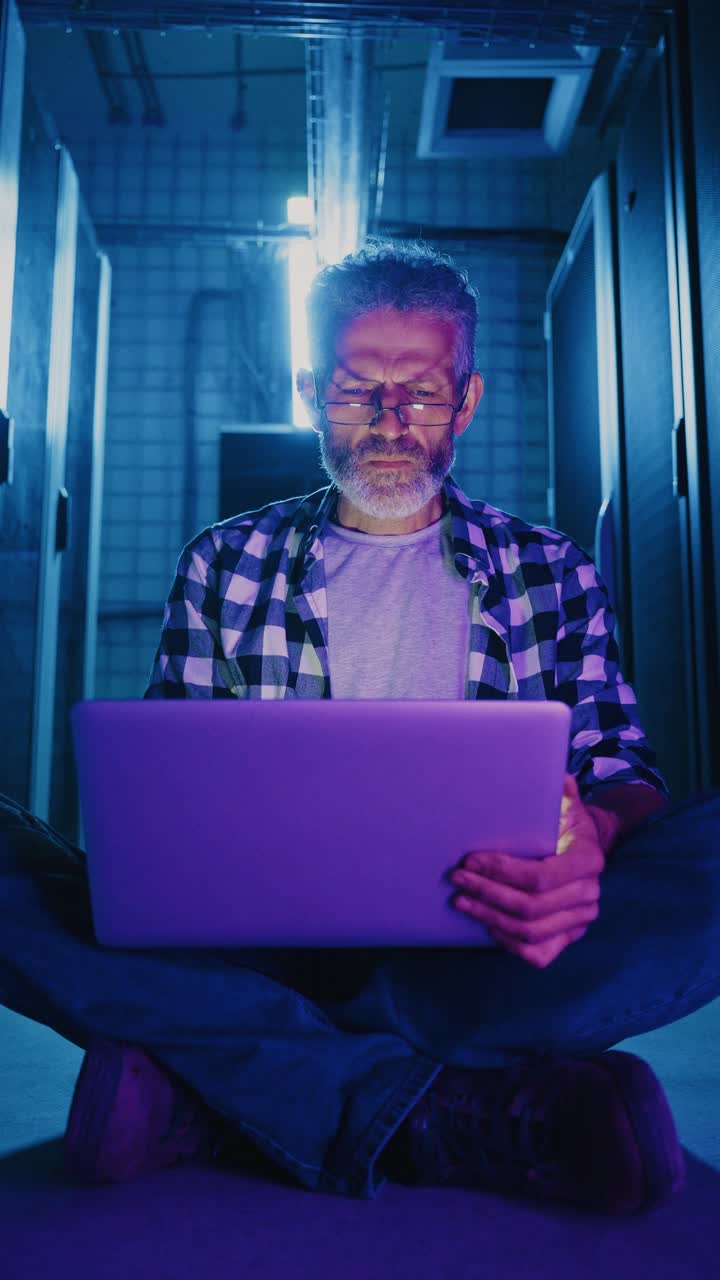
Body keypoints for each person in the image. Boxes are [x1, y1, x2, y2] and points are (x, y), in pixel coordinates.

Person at [1, 239, 719, 1214]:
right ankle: (437, 1100)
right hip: (255, 949)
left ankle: (225, 1076)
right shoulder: (225, 561)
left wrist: (590, 836)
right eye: (355, 390)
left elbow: (623, 768)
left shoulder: (550, 566)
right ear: (310, 392)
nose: (390, 421)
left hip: (489, 948)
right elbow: (165, 810)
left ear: (464, 401)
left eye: (421, 392)